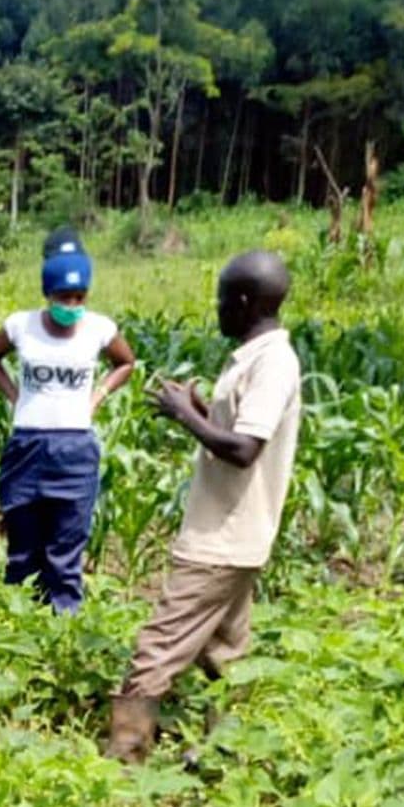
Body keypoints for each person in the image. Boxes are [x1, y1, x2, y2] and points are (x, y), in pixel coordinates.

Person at [106, 249, 301, 761]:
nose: (216, 308)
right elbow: (237, 431)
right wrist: (201, 410)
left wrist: (182, 417)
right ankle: (223, 758)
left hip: (221, 540)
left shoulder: (273, 364)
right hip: (238, 537)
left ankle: (122, 763)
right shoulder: (255, 359)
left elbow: (243, 450)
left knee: (156, 649)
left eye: (221, 298)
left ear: (242, 301)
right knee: (223, 656)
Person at [0, 236, 135, 613]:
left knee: (65, 551)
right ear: (47, 293)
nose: (71, 305)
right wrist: (17, 396)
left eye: (79, 297)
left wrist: (97, 396)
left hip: (75, 450)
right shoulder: (21, 326)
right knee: (22, 548)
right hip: (27, 446)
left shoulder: (99, 328)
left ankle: (63, 630)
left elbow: (126, 363)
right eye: (63, 296)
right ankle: (18, 624)